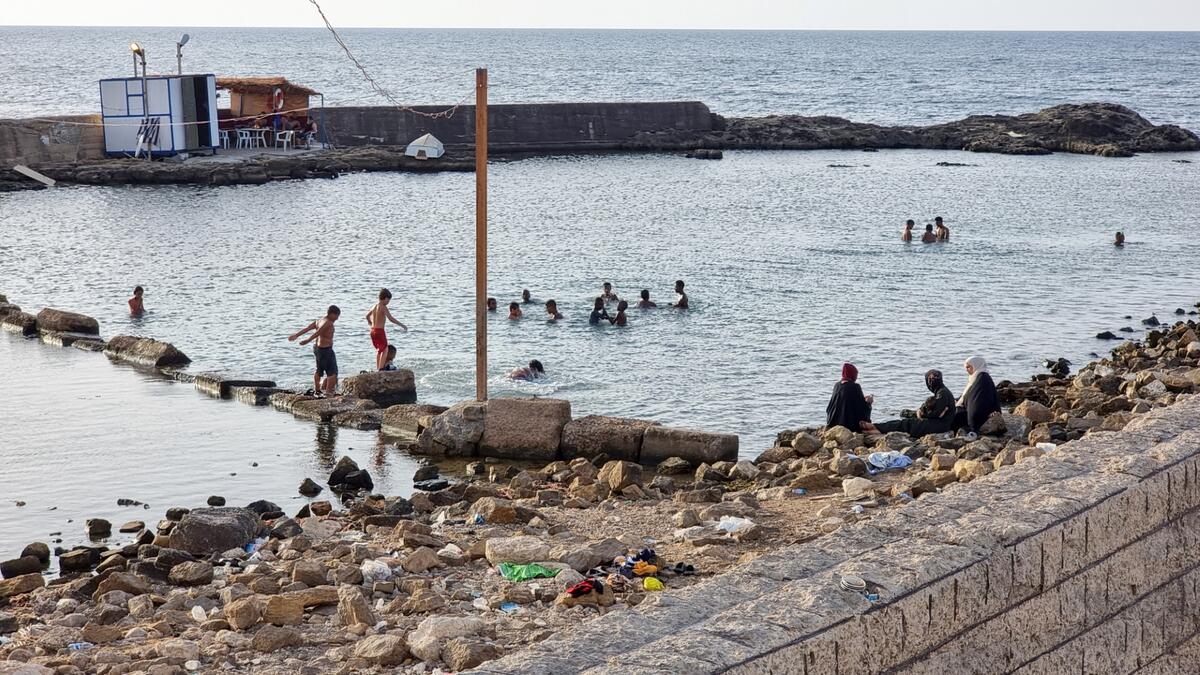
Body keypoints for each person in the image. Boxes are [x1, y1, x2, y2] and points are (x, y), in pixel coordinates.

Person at [874, 370, 956, 436]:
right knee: (905, 421)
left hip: (939, 426)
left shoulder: (942, 394)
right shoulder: (942, 391)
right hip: (940, 424)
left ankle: (876, 428)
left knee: (907, 424)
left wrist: (920, 414)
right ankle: (877, 427)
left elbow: (935, 414)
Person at [289, 305, 340, 397]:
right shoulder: (328, 323)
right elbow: (318, 332)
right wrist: (307, 341)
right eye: (337, 316)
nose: (337, 318)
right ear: (332, 314)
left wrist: (296, 335)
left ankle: (317, 390)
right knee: (332, 372)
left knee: (319, 370)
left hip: (317, 349)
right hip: (326, 350)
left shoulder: (319, 321)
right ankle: (328, 392)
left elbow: (307, 328)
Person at [953, 356, 1002, 438]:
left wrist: (973, 425)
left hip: (978, 417)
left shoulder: (982, 379)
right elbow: (968, 394)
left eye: (969, 367)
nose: (967, 369)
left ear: (976, 365)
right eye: (966, 367)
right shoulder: (975, 377)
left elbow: (979, 400)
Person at [826, 363, 878, 433]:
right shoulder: (855, 387)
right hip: (849, 425)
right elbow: (862, 410)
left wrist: (861, 399)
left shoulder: (837, 385)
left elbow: (844, 401)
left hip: (834, 423)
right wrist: (868, 403)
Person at [365, 288, 408, 371]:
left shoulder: (374, 306)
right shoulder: (383, 307)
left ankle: (378, 367)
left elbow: (366, 316)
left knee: (379, 350)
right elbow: (390, 318)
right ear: (385, 298)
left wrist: (370, 323)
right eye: (388, 300)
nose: (388, 302)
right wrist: (402, 325)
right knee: (385, 349)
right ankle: (381, 369)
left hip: (373, 331)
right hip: (380, 331)